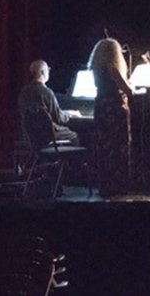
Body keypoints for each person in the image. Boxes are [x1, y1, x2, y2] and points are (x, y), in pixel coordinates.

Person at [88, 38, 133, 195]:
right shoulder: (112, 69)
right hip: (114, 109)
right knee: (117, 145)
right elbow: (128, 91)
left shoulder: (96, 69)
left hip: (101, 107)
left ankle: (105, 184)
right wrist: (131, 86)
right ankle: (118, 184)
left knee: (104, 145)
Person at [17, 59, 79, 145]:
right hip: (47, 135)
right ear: (43, 72)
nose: (48, 72)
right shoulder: (46, 92)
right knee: (75, 135)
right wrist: (70, 113)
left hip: (29, 136)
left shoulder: (24, 91)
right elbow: (59, 118)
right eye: (47, 70)